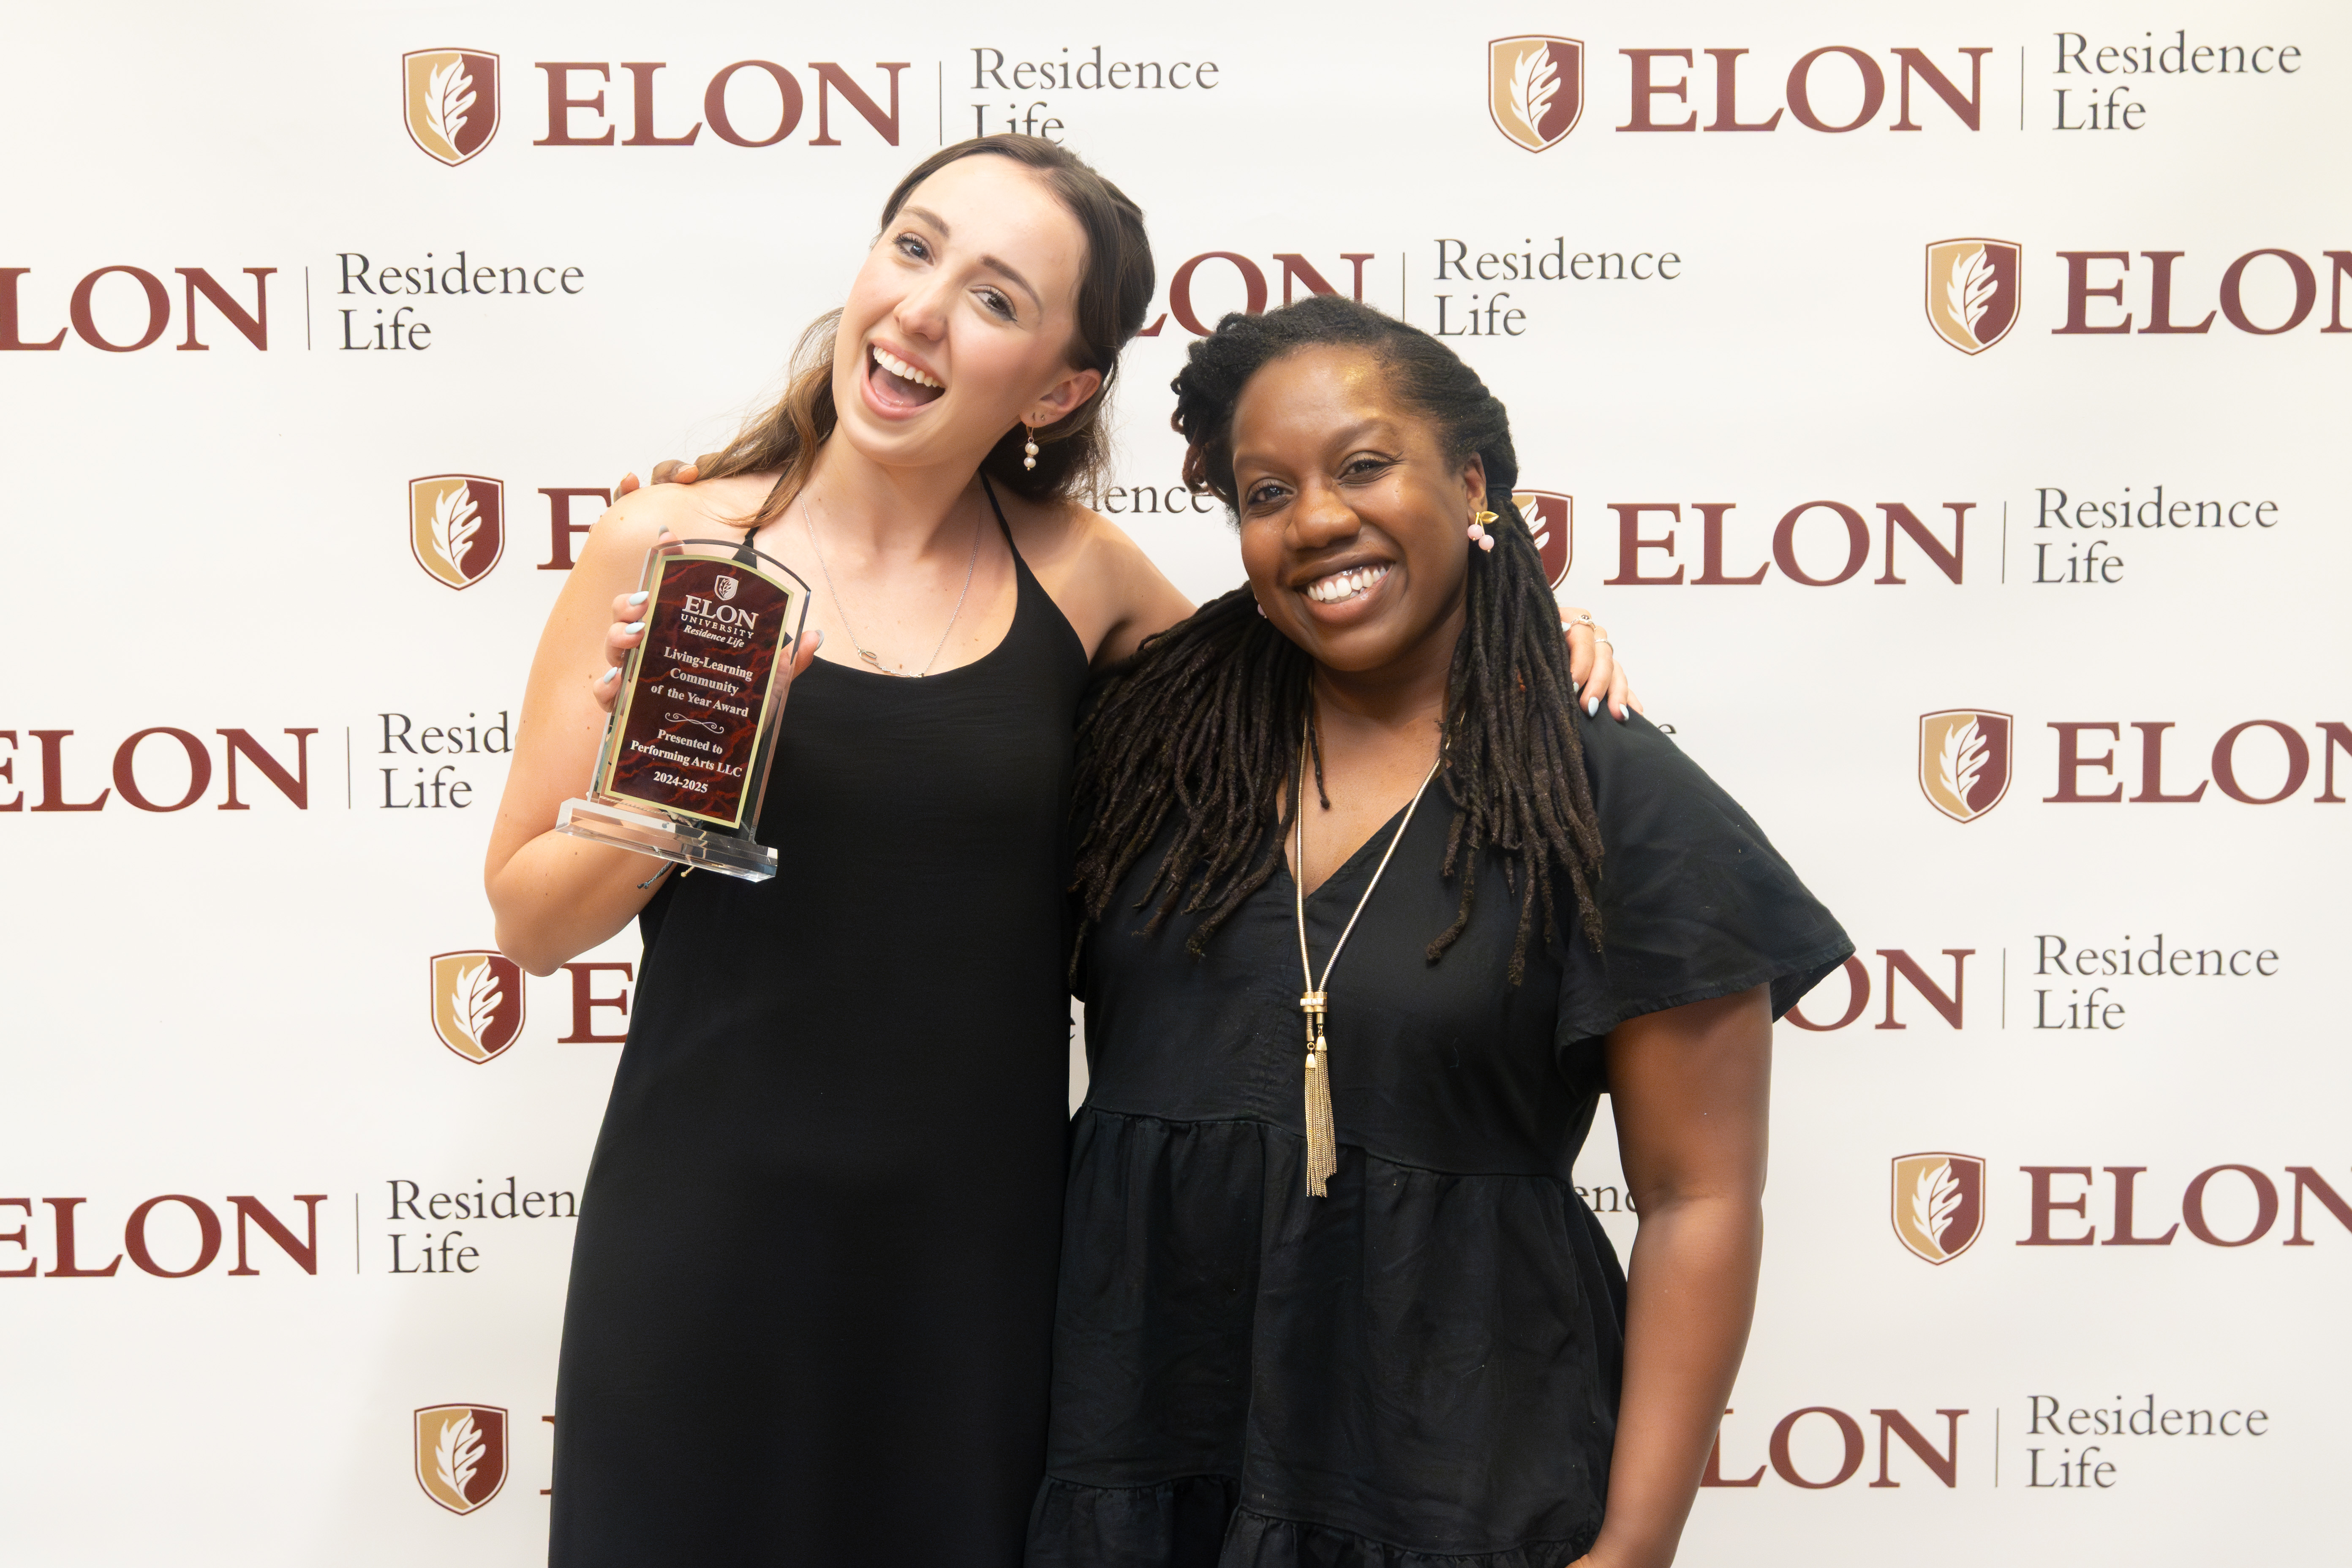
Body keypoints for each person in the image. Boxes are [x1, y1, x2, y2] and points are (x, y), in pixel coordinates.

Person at [485, 136, 1639, 1565]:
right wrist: (676, 781)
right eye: (912, 250)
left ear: (1059, 386)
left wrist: (1512, 625)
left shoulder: (1083, 576)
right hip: (704, 1243)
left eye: (995, 297)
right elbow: (531, 922)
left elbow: (1322, 664)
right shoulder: (672, 543)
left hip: (985, 1267)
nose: (919, 311)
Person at [1029, 294, 1852, 1568]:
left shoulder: (1609, 794)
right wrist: (713, 542)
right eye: (1264, 492)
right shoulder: (1153, 736)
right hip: (1138, 1448)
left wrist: (1635, 1545)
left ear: (1473, 482)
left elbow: (1702, 1196)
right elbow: (932, 659)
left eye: (1364, 467)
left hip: (1453, 1467)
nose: (1315, 521)